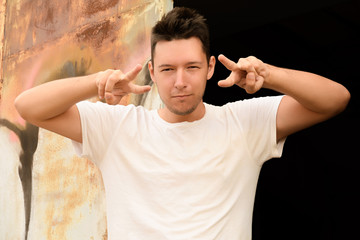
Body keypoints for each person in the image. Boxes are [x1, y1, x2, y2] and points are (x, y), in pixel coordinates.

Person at [15, 7, 350, 240]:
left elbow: (335, 99)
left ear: (209, 67)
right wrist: (95, 82)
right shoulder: (117, 128)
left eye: (191, 67)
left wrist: (270, 75)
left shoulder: (244, 124)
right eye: (167, 69)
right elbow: (28, 107)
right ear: (151, 70)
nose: (179, 81)